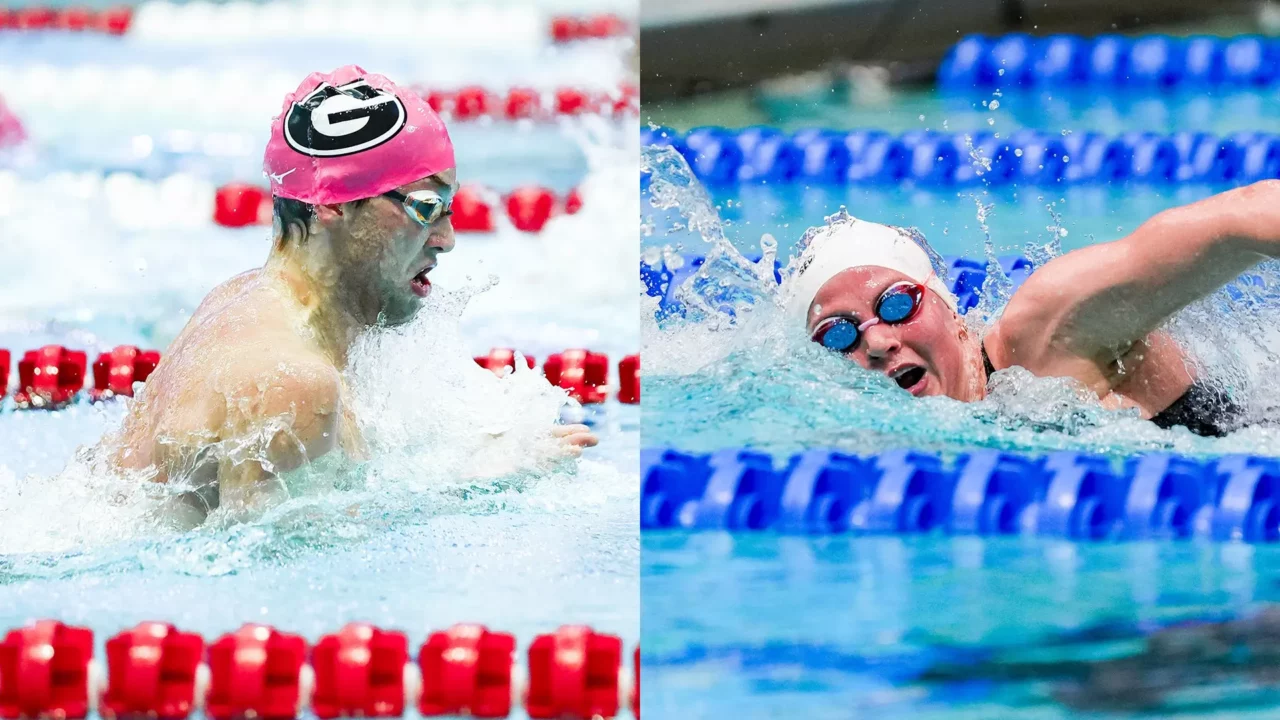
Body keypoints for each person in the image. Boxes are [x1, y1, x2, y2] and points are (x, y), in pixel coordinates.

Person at [104, 66, 596, 521]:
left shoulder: (246, 298)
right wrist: (490, 480)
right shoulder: (292, 383)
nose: (447, 238)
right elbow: (276, 578)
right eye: (427, 207)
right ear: (335, 205)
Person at [782, 181, 1280, 437]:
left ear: (951, 309)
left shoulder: (1044, 334)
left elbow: (1235, 218)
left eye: (895, 305)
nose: (874, 341)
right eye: (839, 335)